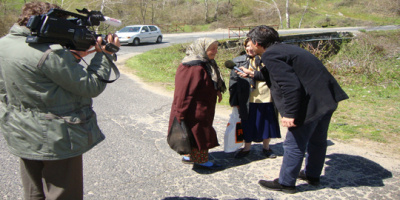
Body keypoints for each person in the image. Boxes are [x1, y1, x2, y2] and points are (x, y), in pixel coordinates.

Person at [0, 2, 120, 199]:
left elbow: (37, 76)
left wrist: (71, 58)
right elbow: (91, 86)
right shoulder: (49, 53)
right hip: (56, 139)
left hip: (20, 133)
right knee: (63, 194)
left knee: (33, 192)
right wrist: (104, 55)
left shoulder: (4, 44)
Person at [241, 25, 349, 194]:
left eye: (250, 43)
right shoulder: (285, 49)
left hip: (310, 103)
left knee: (294, 144)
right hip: (326, 99)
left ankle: (286, 183)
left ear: (256, 42)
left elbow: (290, 85)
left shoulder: (269, 54)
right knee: (317, 141)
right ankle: (312, 175)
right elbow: (277, 75)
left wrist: (290, 114)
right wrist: (253, 74)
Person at [168, 37, 226, 170]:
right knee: (199, 133)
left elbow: (209, 80)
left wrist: (216, 90)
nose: (215, 51)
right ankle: (201, 161)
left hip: (203, 107)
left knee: (193, 133)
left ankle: (189, 156)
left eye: (216, 48)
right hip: (195, 109)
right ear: (203, 49)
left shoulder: (205, 63)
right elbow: (184, 93)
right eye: (212, 49)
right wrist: (180, 112)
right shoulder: (192, 67)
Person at [228, 38, 281, 159]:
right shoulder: (238, 62)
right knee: (247, 124)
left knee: (266, 123)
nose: (249, 49)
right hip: (248, 99)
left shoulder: (269, 60)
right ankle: (246, 148)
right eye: (246, 46)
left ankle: (266, 147)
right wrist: (234, 101)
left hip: (267, 97)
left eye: (251, 46)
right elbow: (233, 83)